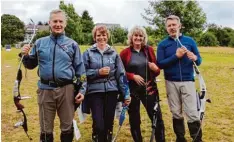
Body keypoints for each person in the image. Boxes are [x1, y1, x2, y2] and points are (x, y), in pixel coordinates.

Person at [20, 9, 86, 142]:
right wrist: (25, 55)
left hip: (67, 91)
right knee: (45, 129)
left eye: (61, 21)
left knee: (67, 127)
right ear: (49, 23)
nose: (58, 24)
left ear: (65, 24)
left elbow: (81, 71)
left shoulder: (72, 44)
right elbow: (30, 65)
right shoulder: (40, 43)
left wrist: (83, 90)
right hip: (45, 90)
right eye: (55, 21)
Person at [157, 15, 203, 142]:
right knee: (176, 112)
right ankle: (180, 138)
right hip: (171, 82)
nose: (172, 27)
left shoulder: (189, 41)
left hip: (188, 81)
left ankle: (197, 139)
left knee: (192, 113)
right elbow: (160, 64)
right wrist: (176, 56)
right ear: (166, 28)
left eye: (174, 25)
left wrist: (195, 58)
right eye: (169, 25)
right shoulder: (163, 44)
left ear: (179, 26)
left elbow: (199, 60)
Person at [82, 25, 131, 142]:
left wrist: (126, 94)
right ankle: (96, 135)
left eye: (104, 35)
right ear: (94, 37)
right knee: (99, 123)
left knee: (109, 122)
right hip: (94, 92)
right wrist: (97, 72)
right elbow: (82, 74)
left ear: (107, 37)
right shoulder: (88, 53)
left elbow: (121, 75)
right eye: (98, 35)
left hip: (111, 91)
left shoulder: (114, 53)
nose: (101, 38)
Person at [120, 26, 165, 142]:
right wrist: (132, 76)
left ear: (144, 38)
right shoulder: (125, 53)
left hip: (149, 88)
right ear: (131, 37)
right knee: (134, 119)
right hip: (132, 91)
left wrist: (156, 69)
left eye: (141, 36)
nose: (138, 38)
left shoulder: (148, 50)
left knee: (157, 117)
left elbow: (156, 71)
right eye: (136, 35)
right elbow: (120, 72)